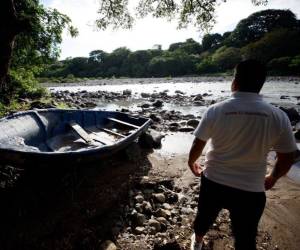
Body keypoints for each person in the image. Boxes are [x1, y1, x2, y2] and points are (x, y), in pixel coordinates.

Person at [188, 59, 298, 250]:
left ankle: (197, 242)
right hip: (251, 188)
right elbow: (288, 156)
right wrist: (273, 177)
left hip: (214, 181)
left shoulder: (216, 110)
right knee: (245, 236)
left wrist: (192, 162)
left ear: (235, 82)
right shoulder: (278, 116)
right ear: (261, 84)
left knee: (204, 216)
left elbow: (199, 142)